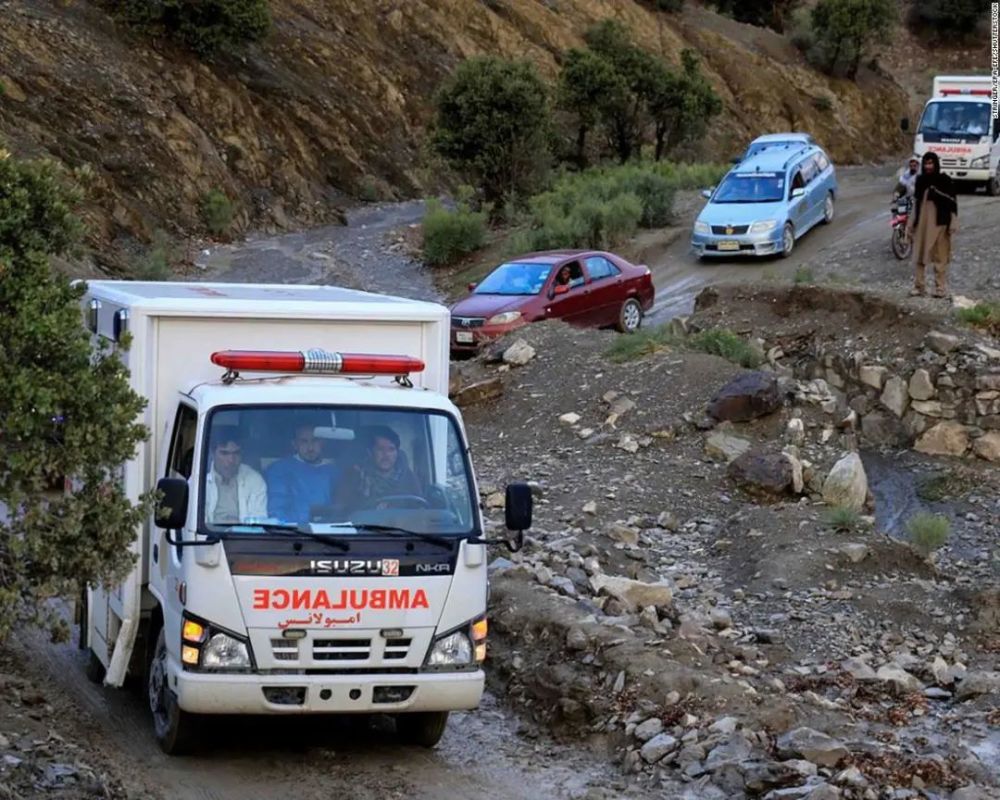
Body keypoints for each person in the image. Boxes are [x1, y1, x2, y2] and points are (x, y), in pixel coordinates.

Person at [906, 151, 958, 299]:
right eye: (926, 163)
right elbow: (917, 203)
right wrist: (911, 223)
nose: (929, 166)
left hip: (941, 223)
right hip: (923, 223)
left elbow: (952, 204)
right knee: (920, 254)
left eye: (931, 163)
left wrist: (953, 222)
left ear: (936, 164)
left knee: (940, 256)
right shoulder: (921, 181)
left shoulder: (945, 181)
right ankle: (919, 286)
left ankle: (940, 288)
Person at [265, 421, 340, 523]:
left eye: (315, 441)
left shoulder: (333, 471)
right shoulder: (279, 470)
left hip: (333, 533)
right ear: (294, 444)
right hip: (294, 533)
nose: (310, 448)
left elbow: (342, 509)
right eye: (304, 442)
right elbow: (276, 513)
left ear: (322, 443)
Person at [334, 425, 421, 511]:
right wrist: (363, 495)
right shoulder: (353, 475)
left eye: (391, 449)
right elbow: (341, 510)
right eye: (380, 449)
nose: (386, 455)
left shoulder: (409, 478)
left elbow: (419, 510)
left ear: (397, 453)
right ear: (370, 452)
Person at [203, 426, 268, 524]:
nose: (231, 460)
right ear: (212, 453)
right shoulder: (198, 480)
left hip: (243, 537)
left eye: (236, 453)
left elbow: (260, 521)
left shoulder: (255, 480)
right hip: (210, 537)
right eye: (224, 453)